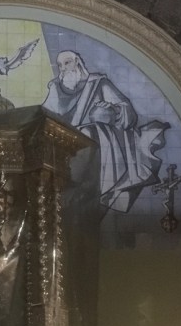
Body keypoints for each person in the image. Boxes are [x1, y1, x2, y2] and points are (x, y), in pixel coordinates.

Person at [43, 50, 168, 212]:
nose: (63, 68)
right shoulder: (56, 89)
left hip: (94, 141)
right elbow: (44, 115)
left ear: (77, 62)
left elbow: (128, 112)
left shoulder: (98, 84)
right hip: (63, 140)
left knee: (87, 134)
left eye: (67, 63)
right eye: (60, 65)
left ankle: (78, 188)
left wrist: (112, 111)